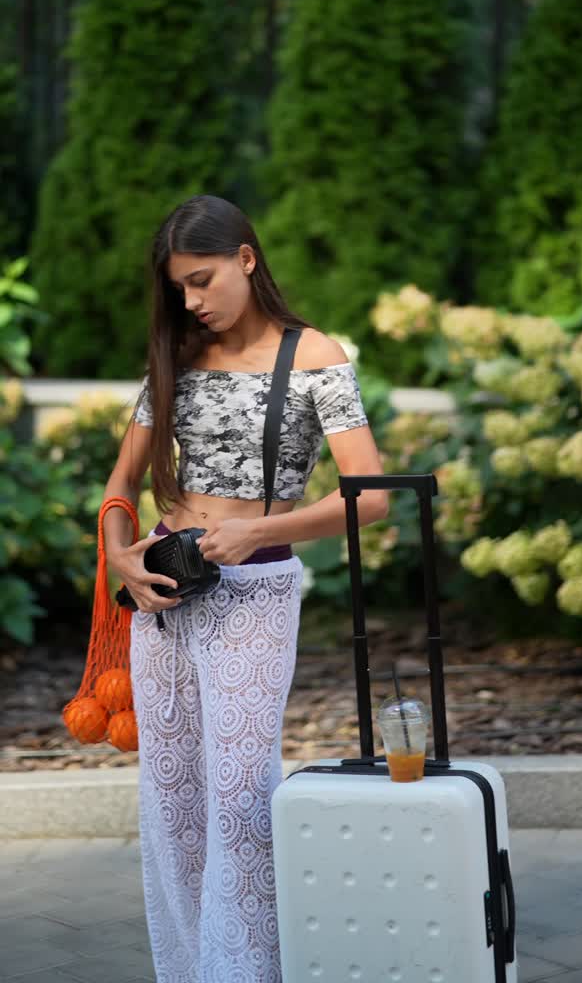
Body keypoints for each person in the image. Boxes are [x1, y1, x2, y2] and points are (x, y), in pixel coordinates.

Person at [102, 194, 388, 983]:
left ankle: (248, 972)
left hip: (255, 592)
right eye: (180, 290)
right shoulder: (180, 356)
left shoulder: (315, 356)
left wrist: (261, 531)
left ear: (247, 259)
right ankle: (190, 971)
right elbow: (121, 483)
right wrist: (120, 555)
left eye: (202, 280)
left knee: (237, 797)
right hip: (164, 592)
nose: (193, 301)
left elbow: (370, 496)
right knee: (173, 803)